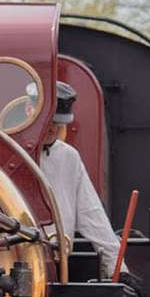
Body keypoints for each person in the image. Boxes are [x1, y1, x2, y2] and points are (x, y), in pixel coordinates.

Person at [39, 81, 125, 273]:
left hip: (57, 264)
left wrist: (118, 271)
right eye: (47, 120)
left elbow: (93, 216)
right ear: (31, 111)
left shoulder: (69, 157)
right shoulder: (7, 151)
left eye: (57, 123)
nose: (52, 128)